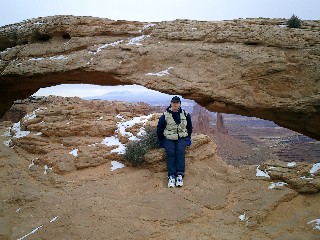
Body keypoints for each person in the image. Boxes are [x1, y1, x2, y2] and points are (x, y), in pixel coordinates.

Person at [157, 96, 192, 188]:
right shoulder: (165, 115)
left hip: (182, 137)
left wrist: (188, 138)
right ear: (171, 103)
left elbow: (189, 127)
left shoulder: (185, 114)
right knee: (170, 152)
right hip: (169, 137)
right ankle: (171, 176)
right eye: (174, 102)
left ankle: (180, 174)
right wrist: (161, 141)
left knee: (180, 151)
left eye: (177, 102)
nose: (175, 104)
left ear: (180, 104)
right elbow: (159, 129)